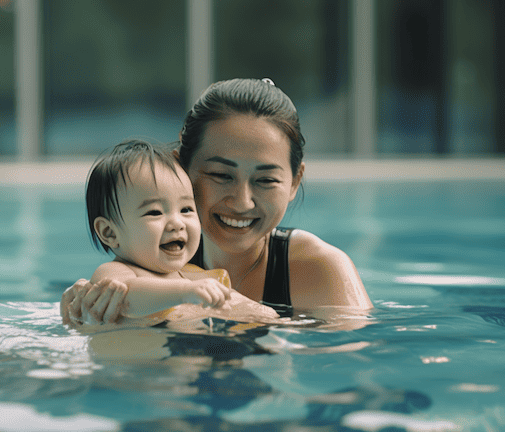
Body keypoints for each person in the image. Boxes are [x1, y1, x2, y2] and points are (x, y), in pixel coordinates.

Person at [62, 78, 373, 326]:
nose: (242, 201)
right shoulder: (157, 255)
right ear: (181, 168)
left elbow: (351, 367)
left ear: (294, 182)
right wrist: (85, 308)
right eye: (221, 175)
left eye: (265, 180)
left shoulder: (321, 270)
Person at [81, 139, 276, 323]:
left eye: (186, 209)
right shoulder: (116, 274)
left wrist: (272, 319)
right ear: (109, 233)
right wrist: (185, 291)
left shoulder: (195, 277)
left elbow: (244, 309)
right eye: (155, 212)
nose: (177, 223)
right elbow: (127, 299)